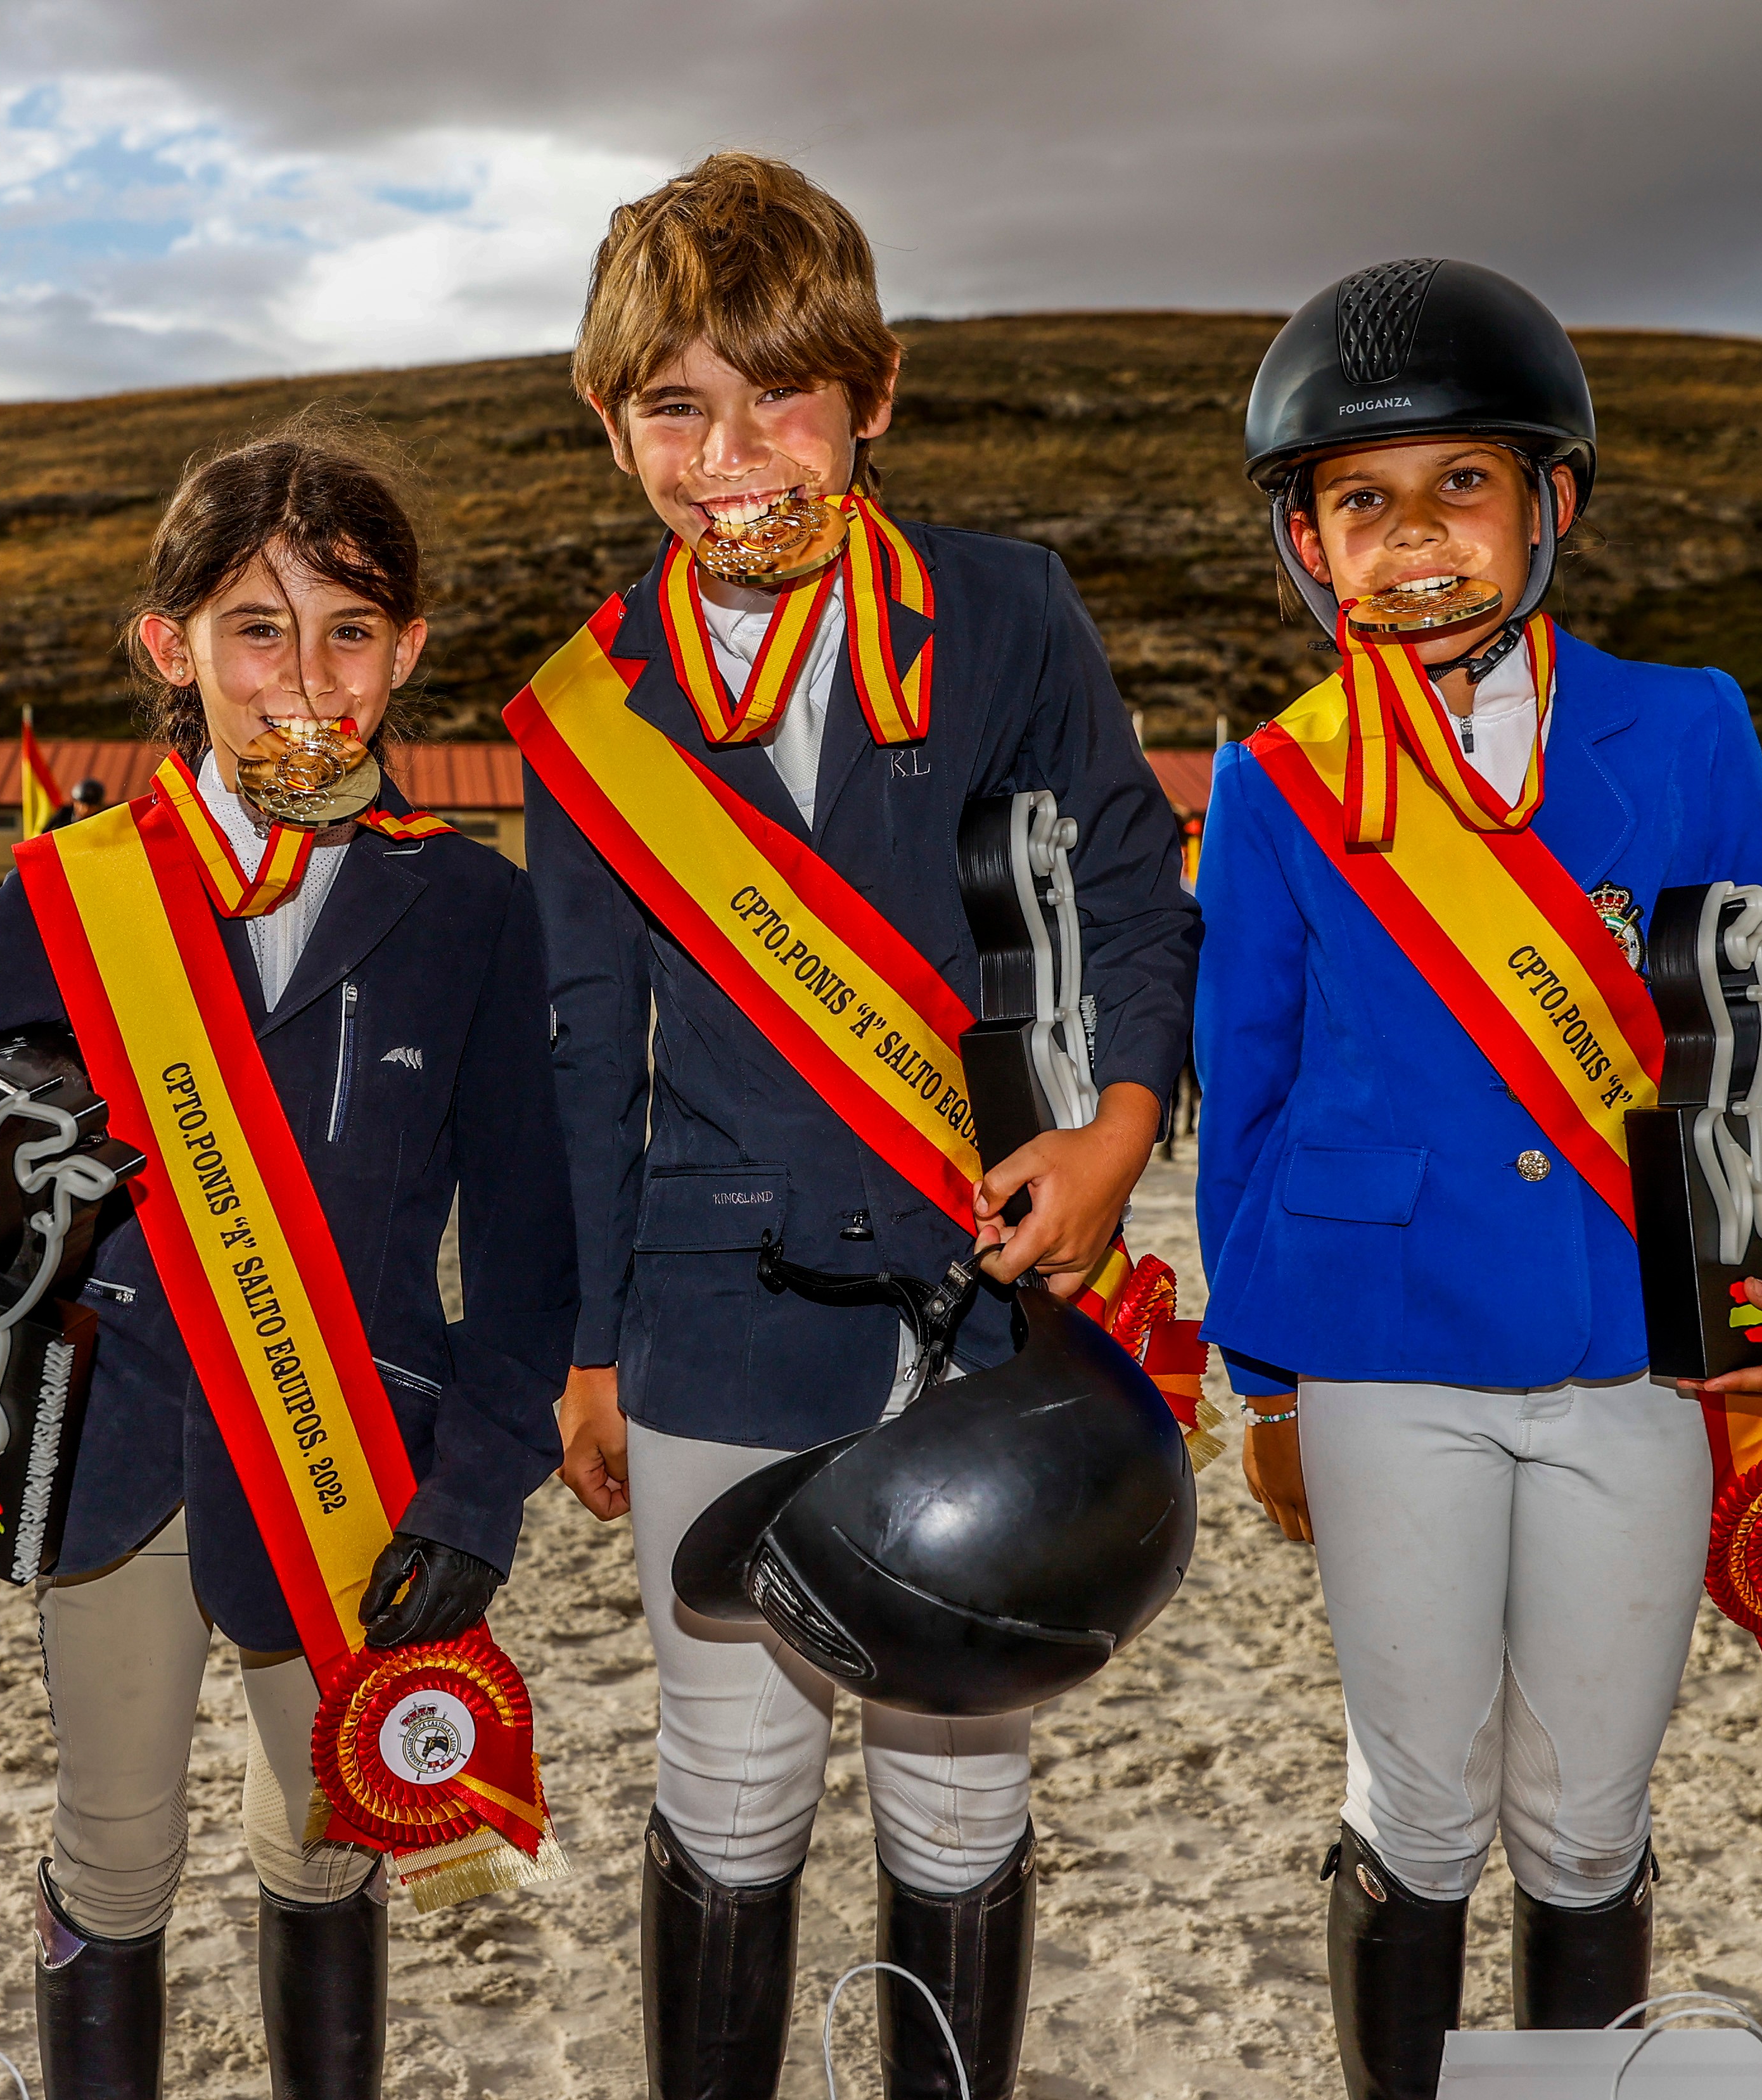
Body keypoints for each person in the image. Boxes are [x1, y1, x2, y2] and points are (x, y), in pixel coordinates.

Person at [518, 154, 1198, 2100]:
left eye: (778, 396)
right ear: (608, 423)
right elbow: (587, 1043)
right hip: (709, 1302)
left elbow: (1133, 879)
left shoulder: (1004, 611)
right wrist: (582, 1337)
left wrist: (1118, 1124)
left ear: (873, 393)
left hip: (983, 1300)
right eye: (674, 407)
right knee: (726, 1780)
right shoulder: (587, 703)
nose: (729, 453)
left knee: (960, 1788)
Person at [1197, 259, 1762, 2099]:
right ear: (1306, 538)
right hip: (1378, 1344)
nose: (1413, 535)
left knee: (1587, 1810)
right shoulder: (1278, 776)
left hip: (1645, 1331)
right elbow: (1246, 1083)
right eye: (1361, 497)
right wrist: (1260, 1373)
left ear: (1550, 503)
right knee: (1417, 1796)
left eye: (1459, 484)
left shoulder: (1684, 729)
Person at [0, 419, 574, 2100]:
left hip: (355, 1463)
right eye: (255, 627)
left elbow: (525, 1240)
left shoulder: (471, 915)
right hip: (116, 1461)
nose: (306, 676)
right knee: (117, 1851)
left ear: (410, 649)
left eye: (349, 629)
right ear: (171, 648)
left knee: (324, 1846)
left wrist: (478, 1490)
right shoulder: (78, 892)